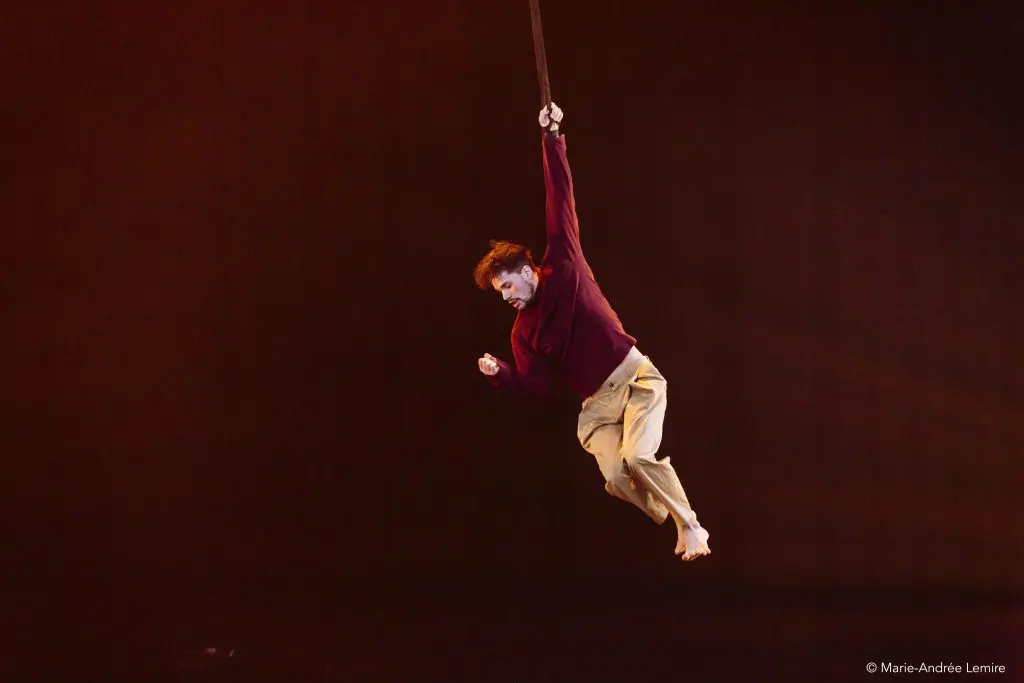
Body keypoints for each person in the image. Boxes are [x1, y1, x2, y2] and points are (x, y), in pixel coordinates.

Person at [474, 103, 711, 562]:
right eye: (500, 292)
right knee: (618, 477)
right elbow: (540, 389)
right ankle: (667, 511)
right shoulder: (523, 332)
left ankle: (690, 523)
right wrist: (502, 374)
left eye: (507, 286)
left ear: (525, 269)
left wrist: (552, 138)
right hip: (597, 407)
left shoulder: (565, 264)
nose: (506, 297)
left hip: (636, 379)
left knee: (639, 457)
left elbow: (560, 197)